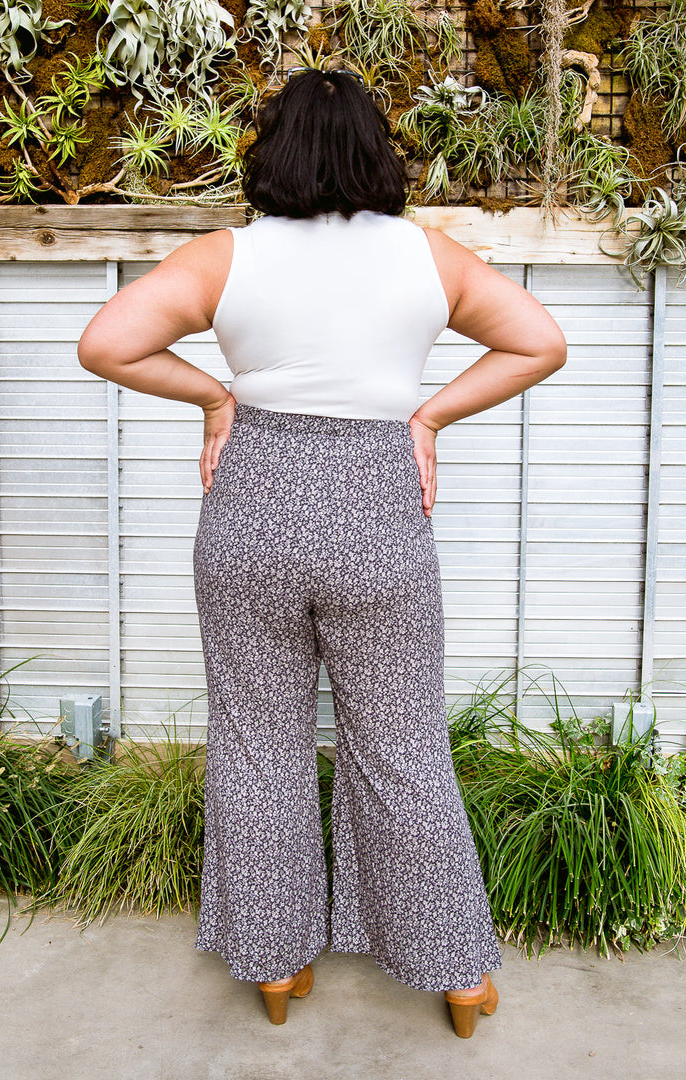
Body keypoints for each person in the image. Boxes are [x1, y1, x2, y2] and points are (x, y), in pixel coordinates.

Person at [77, 66, 567, 1038]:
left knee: (258, 747)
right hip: (377, 512)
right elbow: (539, 343)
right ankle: (458, 973)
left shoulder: (226, 256)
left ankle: (276, 963)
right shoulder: (429, 258)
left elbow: (107, 343)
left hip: (251, 510)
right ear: (378, 154)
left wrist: (216, 397)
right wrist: (427, 417)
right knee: (403, 751)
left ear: (275, 152)